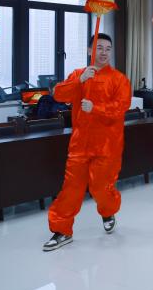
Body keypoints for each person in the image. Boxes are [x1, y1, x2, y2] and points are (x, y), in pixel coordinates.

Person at [43, 33, 131, 251]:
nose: (104, 52)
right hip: (80, 143)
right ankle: (62, 230)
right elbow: (59, 94)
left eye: (108, 49)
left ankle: (108, 211)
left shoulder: (119, 79)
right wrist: (79, 80)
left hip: (108, 144)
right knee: (71, 189)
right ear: (90, 50)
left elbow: (121, 108)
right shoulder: (79, 74)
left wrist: (96, 108)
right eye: (99, 48)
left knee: (101, 188)